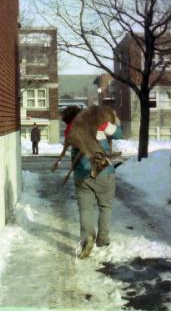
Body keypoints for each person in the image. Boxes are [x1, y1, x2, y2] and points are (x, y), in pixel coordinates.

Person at [61, 106, 123, 259]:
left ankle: (87, 237)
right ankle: (102, 238)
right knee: (105, 206)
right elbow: (119, 134)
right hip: (104, 171)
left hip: (82, 175)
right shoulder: (99, 123)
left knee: (85, 210)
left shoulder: (70, 130)